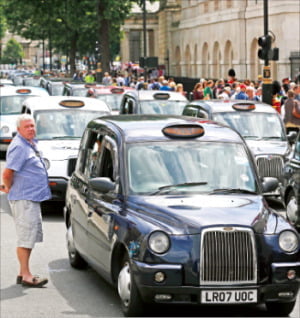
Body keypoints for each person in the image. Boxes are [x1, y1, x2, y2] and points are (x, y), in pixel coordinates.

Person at [1, 114, 51, 287]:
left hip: (31, 197)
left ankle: (23, 273)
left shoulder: (29, 143)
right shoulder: (19, 147)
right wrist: (8, 188)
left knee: (29, 236)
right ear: (19, 129)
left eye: (32, 125)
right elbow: (7, 173)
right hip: (24, 199)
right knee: (25, 238)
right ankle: (27, 276)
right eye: (27, 126)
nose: (31, 129)